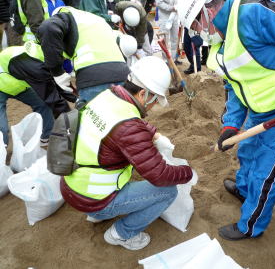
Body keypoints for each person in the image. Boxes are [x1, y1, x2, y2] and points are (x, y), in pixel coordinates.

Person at [178, 0, 275, 240]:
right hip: (260, 109)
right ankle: (243, 191)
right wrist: (231, 123)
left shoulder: (253, 11)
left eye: (195, 25)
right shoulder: (222, 41)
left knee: (266, 172)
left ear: (207, 11)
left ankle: (250, 226)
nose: (197, 32)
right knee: (248, 152)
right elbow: (235, 84)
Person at [60, 56, 194, 250]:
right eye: (155, 100)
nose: (153, 106)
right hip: (93, 199)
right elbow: (159, 175)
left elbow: (125, 120)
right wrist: (187, 173)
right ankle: (121, 234)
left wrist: (154, 135)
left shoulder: (106, 96)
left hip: (72, 185)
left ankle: (97, 215)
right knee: (168, 191)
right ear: (142, 94)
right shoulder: (129, 126)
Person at [38, 6, 130, 103]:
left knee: (96, 116)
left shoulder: (66, 16)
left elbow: (48, 27)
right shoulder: (97, 20)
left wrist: (57, 73)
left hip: (94, 78)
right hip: (123, 74)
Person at [0, 45, 54, 146]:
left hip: (19, 86)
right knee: (1, 128)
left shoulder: (41, 55)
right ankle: (2, 150)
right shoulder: (28, 62)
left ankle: (47, 137)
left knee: (43, 103)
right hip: (1, 86)